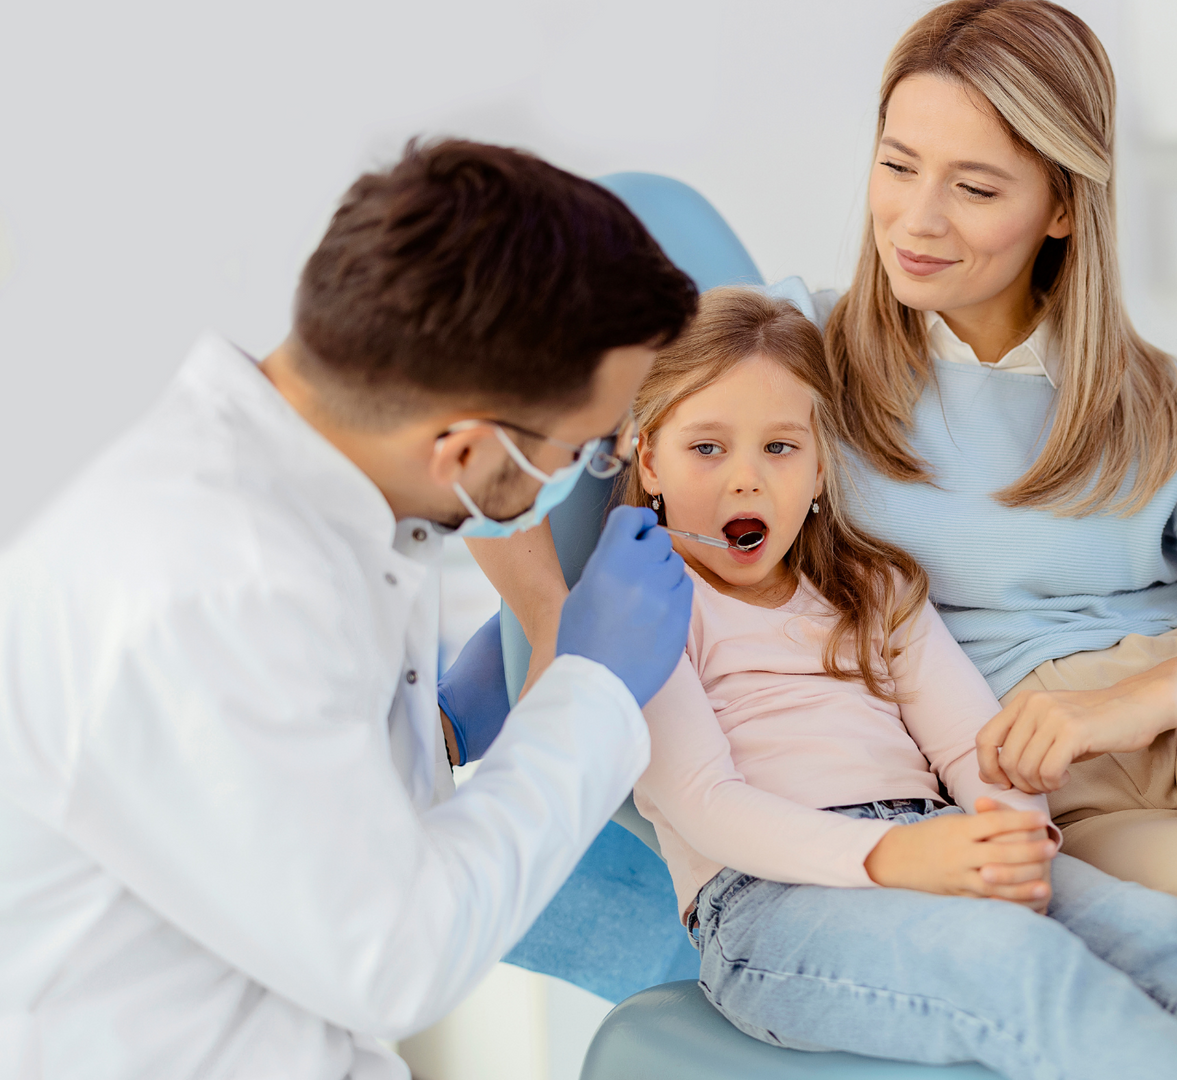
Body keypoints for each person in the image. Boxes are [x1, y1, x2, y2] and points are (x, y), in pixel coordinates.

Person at [475, 0, 1177, 1016]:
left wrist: (1133, 701)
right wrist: (548, 632)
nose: (917, 221)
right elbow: (493, 403)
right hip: (1035, 772)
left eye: (975, 188)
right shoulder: (793, 357)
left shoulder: (1161, 396)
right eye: (896, 167)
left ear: (1062, 206)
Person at [0, 139, 699, 1080]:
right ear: (459, 449)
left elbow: (313, 818)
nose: (590, 471)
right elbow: (395, 956)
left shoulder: (326, 505)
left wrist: (442, 729)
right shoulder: (213, 590)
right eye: (586, 449)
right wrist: (590, 690)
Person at [595, 287, 1177, 1078]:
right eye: (706, 449)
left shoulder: (877, 590)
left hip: (935, 842)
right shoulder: (645, 607)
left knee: (1165, 935)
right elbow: (706, 806)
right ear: (648, 458)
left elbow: (974, 746)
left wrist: (1014, 839)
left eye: (780, 448)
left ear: (823, 464)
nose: (746, 482)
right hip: (767, 902)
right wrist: (898, 859)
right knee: (1016, 964)